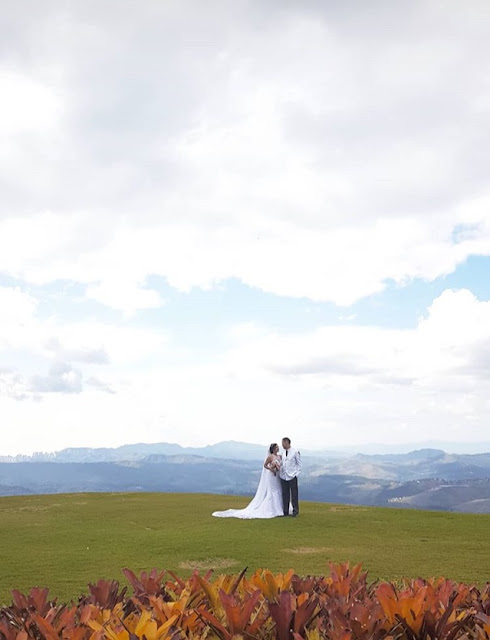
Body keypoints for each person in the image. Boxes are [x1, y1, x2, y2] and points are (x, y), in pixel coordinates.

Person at [212, 443, 284, 519]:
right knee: (272, 491)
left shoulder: (279, 456)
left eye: (277, 447)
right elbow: (265, 465)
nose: (277, 448)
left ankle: (280, 509)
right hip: (272, 476)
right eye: (276, 447)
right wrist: (271, 468)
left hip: (277, 476)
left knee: (278, 489)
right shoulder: (270, 457)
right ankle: (272, 509)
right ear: (273, 449)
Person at [279, 437, 301, 517]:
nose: (282, 445)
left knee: (294, 494)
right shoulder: (283, 452)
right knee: (285, 494)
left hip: (292, 476)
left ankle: (295, 511)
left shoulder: (295, 451)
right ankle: (285, 511)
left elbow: (299, 464)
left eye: (283, 443)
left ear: (287, 442)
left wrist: (296, 474)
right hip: (284, 476)